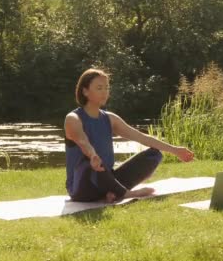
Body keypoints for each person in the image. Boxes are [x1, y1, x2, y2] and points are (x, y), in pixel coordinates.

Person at [65, 68, 194, 203]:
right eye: (99, 88)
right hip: (82, 187)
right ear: (85, 91)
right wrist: (92, 156)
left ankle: (111, 191)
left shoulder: (109, 118)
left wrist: (175, 150)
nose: (105, 92)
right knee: (89, 164)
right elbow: (82, 141)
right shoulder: (73, 118)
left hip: (107, 178)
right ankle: (124, 193)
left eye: (107, 88)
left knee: (153, 154)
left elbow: (141, 137)